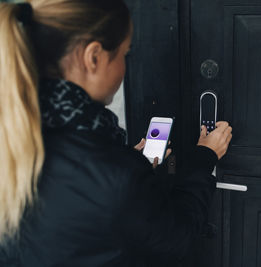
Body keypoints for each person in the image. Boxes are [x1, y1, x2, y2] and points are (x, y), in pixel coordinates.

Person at [0, 1, 233, 266]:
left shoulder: (14, 136)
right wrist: (205, 157)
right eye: (125, 53)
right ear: (94, 57)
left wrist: (124, 168)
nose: (124, 66)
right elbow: (177, 238)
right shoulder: (114, 173)